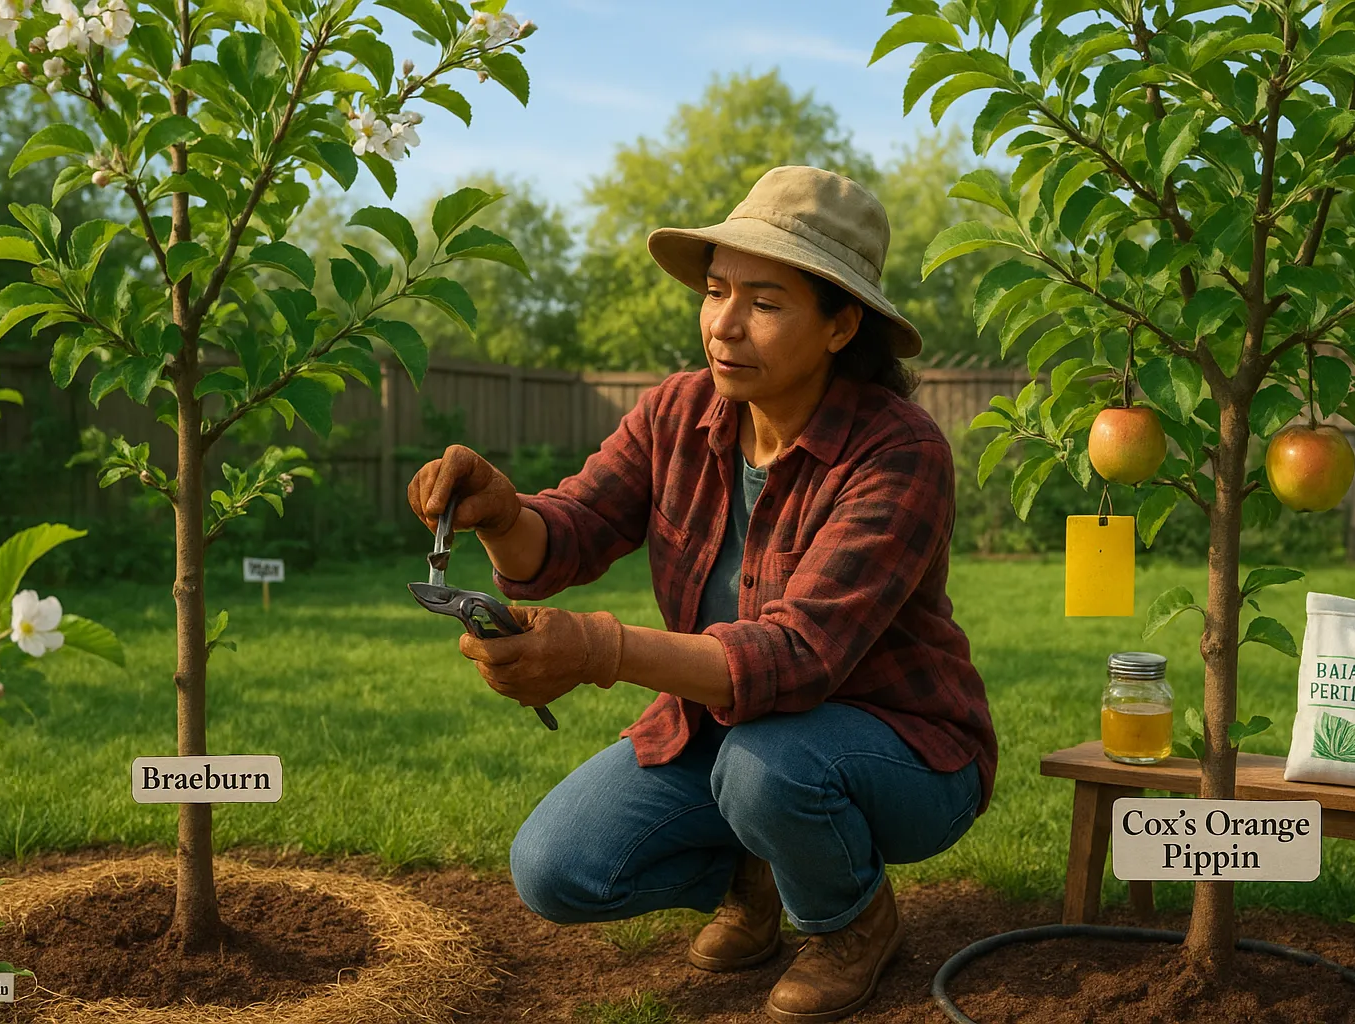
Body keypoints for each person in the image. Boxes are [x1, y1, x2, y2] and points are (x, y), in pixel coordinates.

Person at [406, 165, 997, 1023]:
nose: (723, 322)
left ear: (841, 326)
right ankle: (750, 876)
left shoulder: (898, 452)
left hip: (896, 748)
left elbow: (798, 659)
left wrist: (598, 651)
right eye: (716, 290)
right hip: (716, 733)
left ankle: (851, 922)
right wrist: (501, 513)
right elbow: (567, 530)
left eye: (764, 301)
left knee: (770, 767)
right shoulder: (677, 413)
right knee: (555, 867)